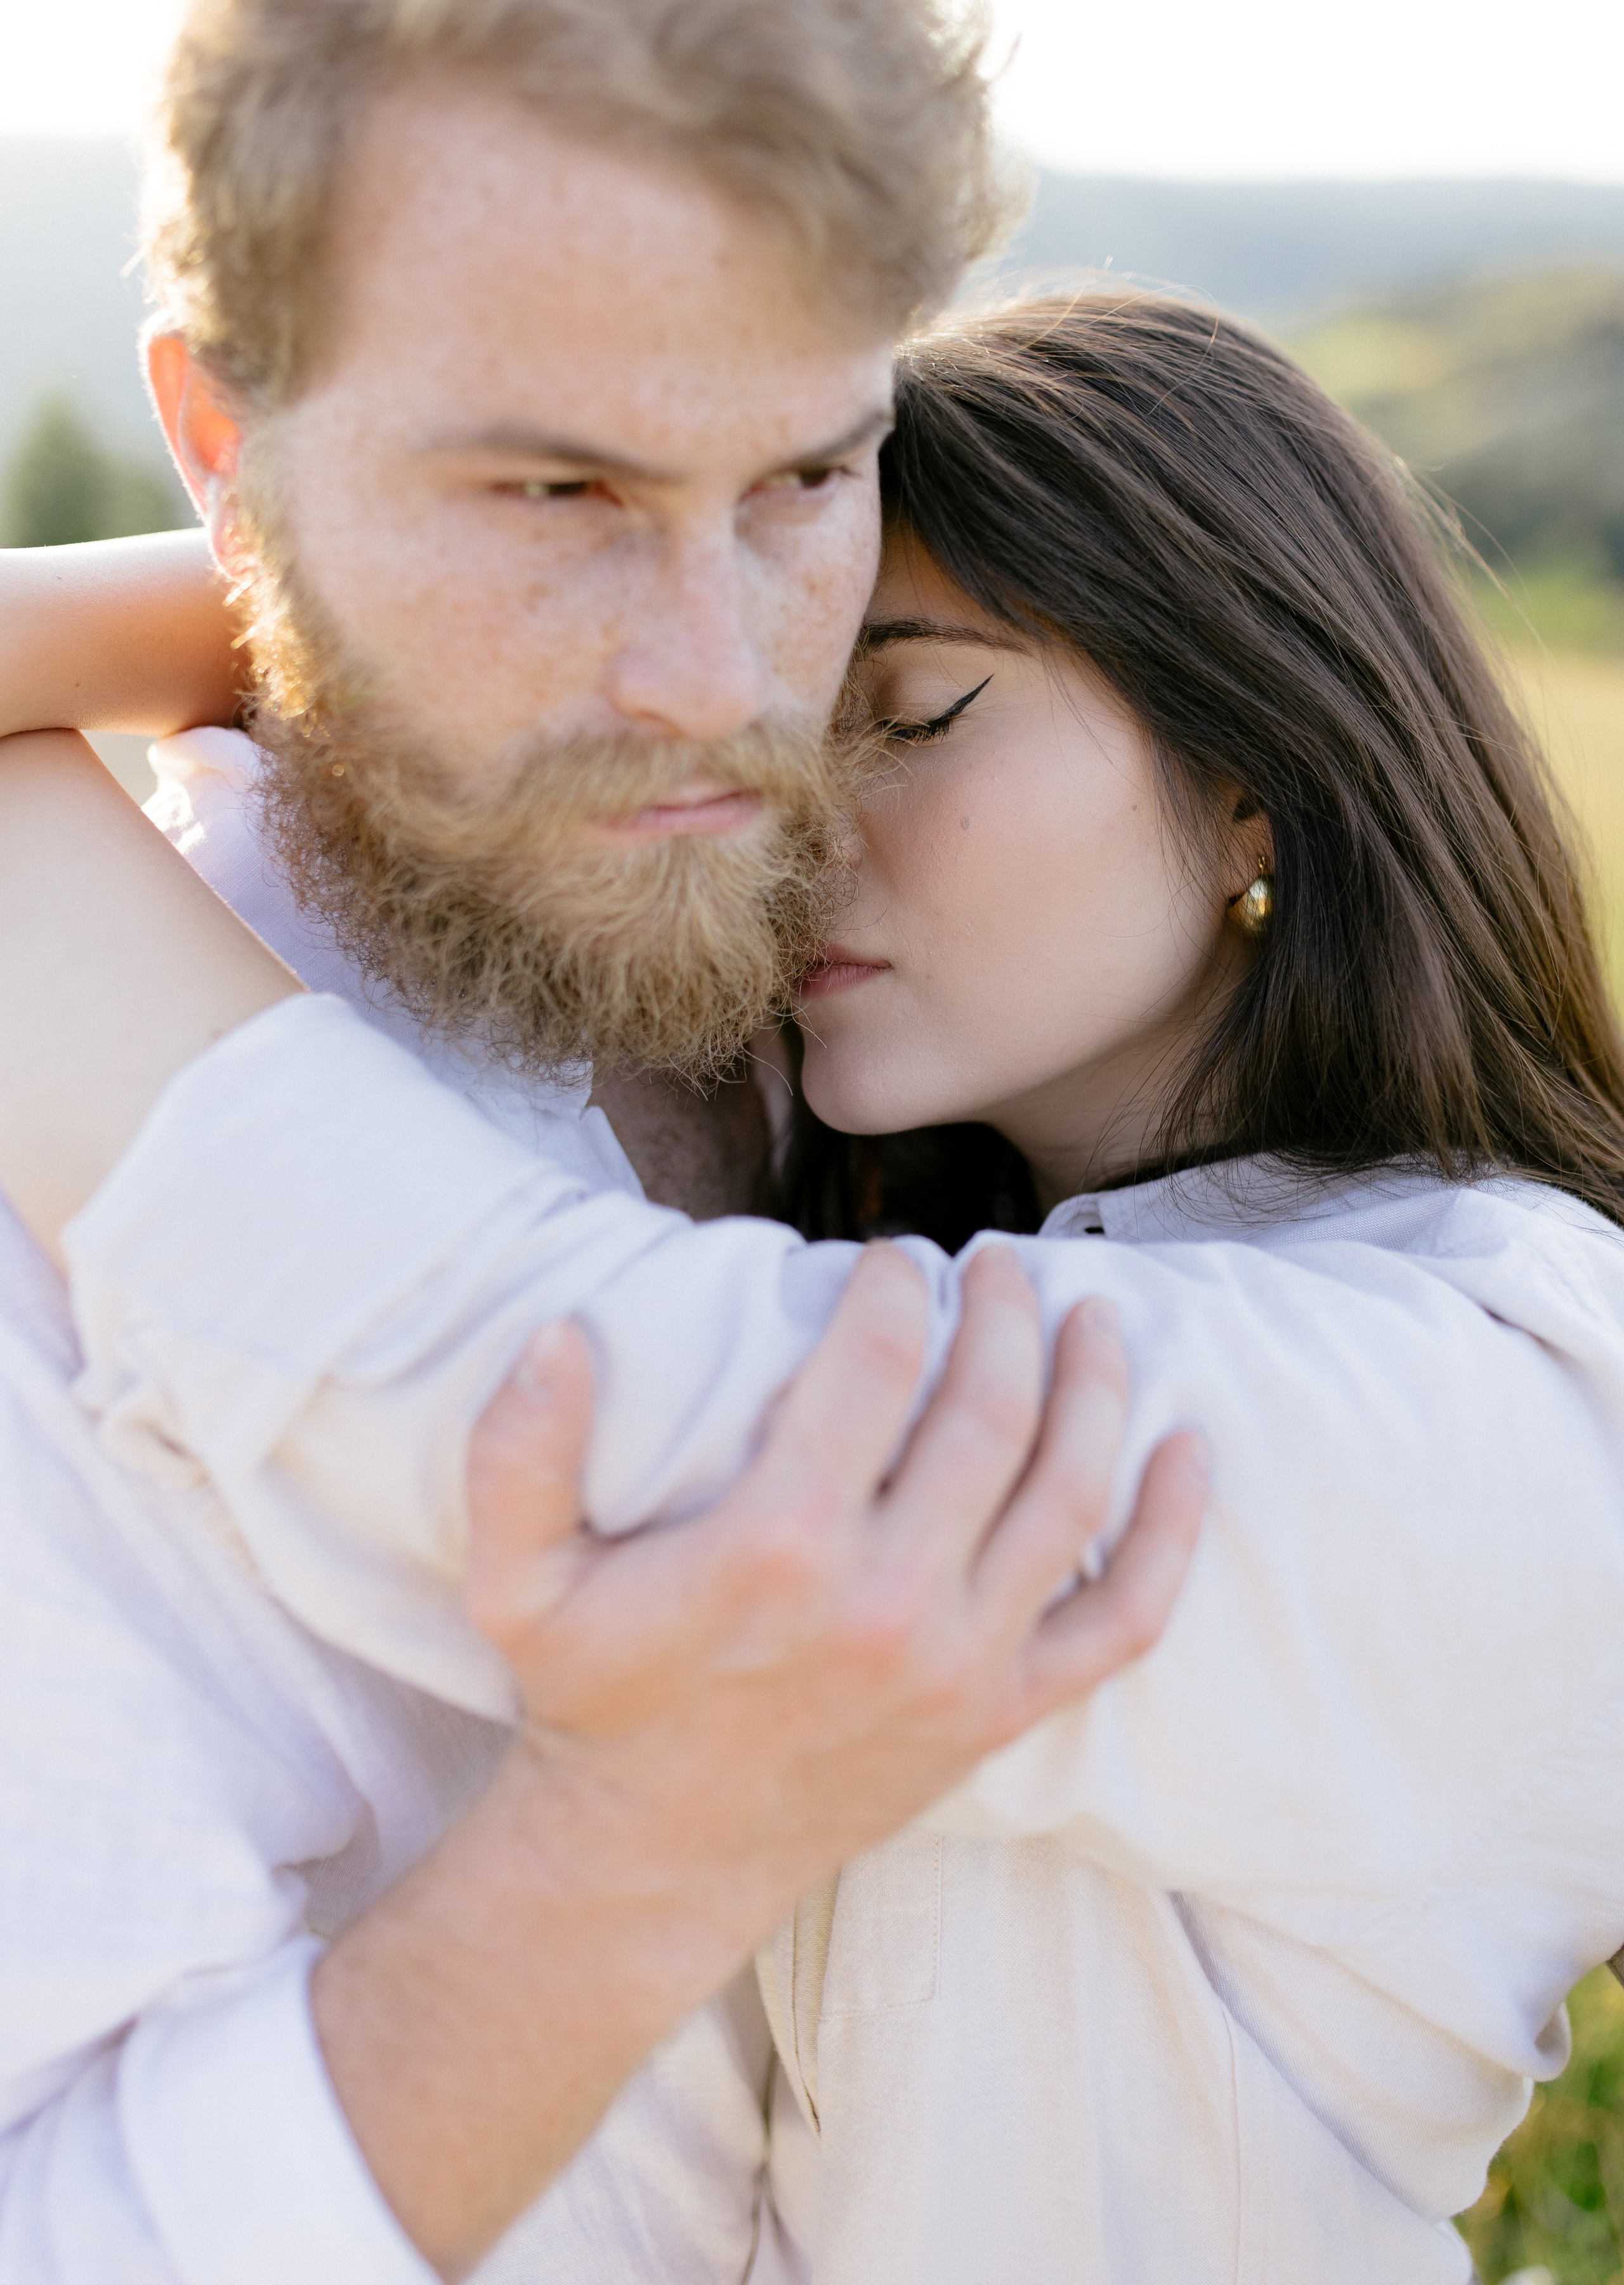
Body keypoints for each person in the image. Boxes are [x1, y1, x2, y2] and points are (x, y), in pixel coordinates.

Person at [10, 275, 1624, 2285]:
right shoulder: (909, 1223)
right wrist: (432, 634)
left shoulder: (1523, 1395)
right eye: (774, 718)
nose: (787, 816)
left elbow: (545, 1402)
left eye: (914, 710)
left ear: (1254, 774)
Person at [0, 0, 1209, 2281]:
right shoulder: (47, 1223)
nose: (717, 677)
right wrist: (635, 1850)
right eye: (553, 495)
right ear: (219, 434)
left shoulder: (903, 993)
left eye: (803, 480)